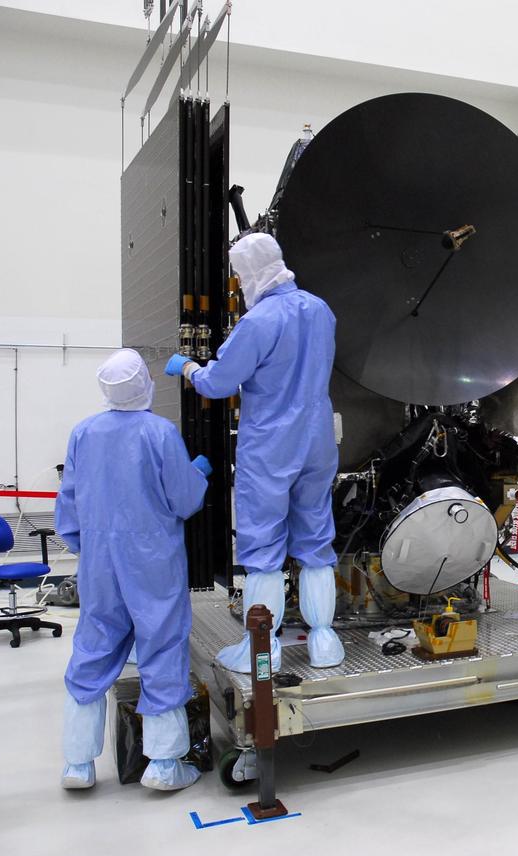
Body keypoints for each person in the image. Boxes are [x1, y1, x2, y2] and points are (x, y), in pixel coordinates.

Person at [165, 232, 342, 674]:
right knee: (316, 537)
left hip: (271, 448)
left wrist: (188, 367)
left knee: (262, 544)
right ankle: (324, 640)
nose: (241, 284)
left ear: (251, 272)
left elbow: (219, 383)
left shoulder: (259, 321)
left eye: (241, 275)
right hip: (318, 439)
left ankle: (262, 647)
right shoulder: (320, 310)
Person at [57, 349, 210, 791]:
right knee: (162, 647)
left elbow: (69, 505)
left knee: (93, 647)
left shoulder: (83, 432)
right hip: (152, 561)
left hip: (100, 562)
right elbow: (184, 500)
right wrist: (197, 473)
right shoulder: (160, 432)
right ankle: (163, 764)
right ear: (144, 382)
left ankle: (77, 763)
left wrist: (92, 549)